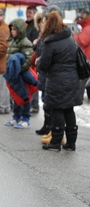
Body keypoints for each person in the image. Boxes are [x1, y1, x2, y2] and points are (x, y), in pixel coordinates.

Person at [38, 11, 82, 151]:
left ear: (49, 24)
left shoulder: (50, 42)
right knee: (69, 109)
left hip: (57, 80)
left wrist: (39, 61)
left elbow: (44, 65)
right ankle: (71, 143)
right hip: (72, 79)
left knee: (57, 109)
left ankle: (56, 141)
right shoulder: (70, 39)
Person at [3, 18, 35, 129]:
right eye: (11, 29)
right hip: (13, 74)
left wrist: (21, 69)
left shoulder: (25, 42)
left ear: (20, 30)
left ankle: (25, 118)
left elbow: (29, 58)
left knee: (24, 96)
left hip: (21, 74)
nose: (12, 31)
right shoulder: (13, 41)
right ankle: (16, 116)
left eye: (14, 29)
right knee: (16, 96)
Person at [25, 6, 40, 114]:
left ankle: (35, 105)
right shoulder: (27, 25)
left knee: (33, 81)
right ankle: (30, 103)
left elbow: (33, 44)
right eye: (27, 12)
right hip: (27, 57)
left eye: (30, 12)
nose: (28, 14)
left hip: (32, 58)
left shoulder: (35, 28)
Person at [73, 10, 90, 99]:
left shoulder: (88, 27)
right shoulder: (85, 26)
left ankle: (79, 98)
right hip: (86, 58)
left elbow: (81, 41)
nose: (80, 17)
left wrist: (74, 34)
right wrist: (75, 23)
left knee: (83, 81)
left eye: (82, 15)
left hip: (88, 59)